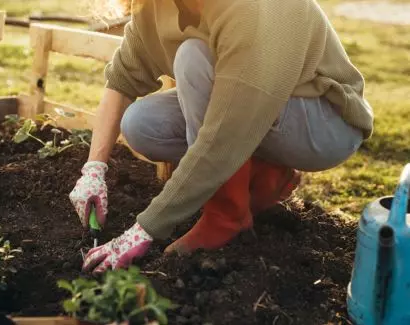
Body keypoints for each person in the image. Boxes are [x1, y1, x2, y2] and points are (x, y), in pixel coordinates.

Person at [69, 0, 374, 273]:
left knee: (192, 58)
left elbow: (222, 138)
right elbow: (121, 81)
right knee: (141, 123)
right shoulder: (155, 7)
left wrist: (144, 230)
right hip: (251, 108)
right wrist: (94, 169)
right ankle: (265, 174)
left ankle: (226, 216)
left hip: (323, 122)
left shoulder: (247, 8)